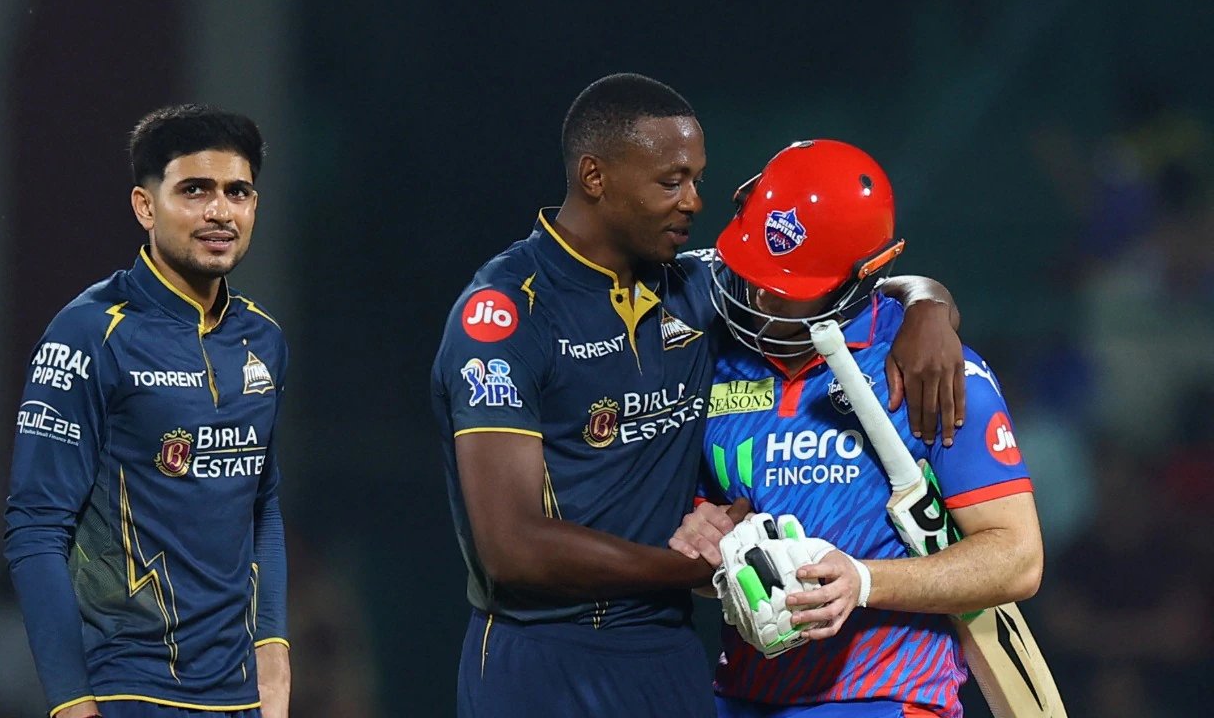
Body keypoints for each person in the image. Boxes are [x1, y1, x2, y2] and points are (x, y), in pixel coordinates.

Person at [430, 74, 966, 718]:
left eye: (697, 179)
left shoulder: (697, 286)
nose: (694, 201)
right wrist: (703, 570)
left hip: (669, 652)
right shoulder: (504, 315)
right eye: (671, 181)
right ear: (595, 177)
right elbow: (511, 549)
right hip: (544, 656)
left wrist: (927, 304)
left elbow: (831, 277)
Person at [669, 140, 1044, 718]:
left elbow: (1017, 559)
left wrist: (863, 582)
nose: (760, 292)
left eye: (788, 287)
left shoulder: (929, 370)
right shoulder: (710, 355)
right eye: (753, 269)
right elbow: (711, 551)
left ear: (861, 277)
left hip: (888, 698)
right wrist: (703, 547)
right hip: (740, 697)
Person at [4, 105, 291, 718]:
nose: (220, 211)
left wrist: (273, 657)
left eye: (238, 192)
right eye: (195, 190)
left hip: (240, 698)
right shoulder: (88, 333)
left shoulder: (264, 339)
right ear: (145, 206)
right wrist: (71, 702)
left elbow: (262, 505)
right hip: (127, 690)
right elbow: (35, 528)